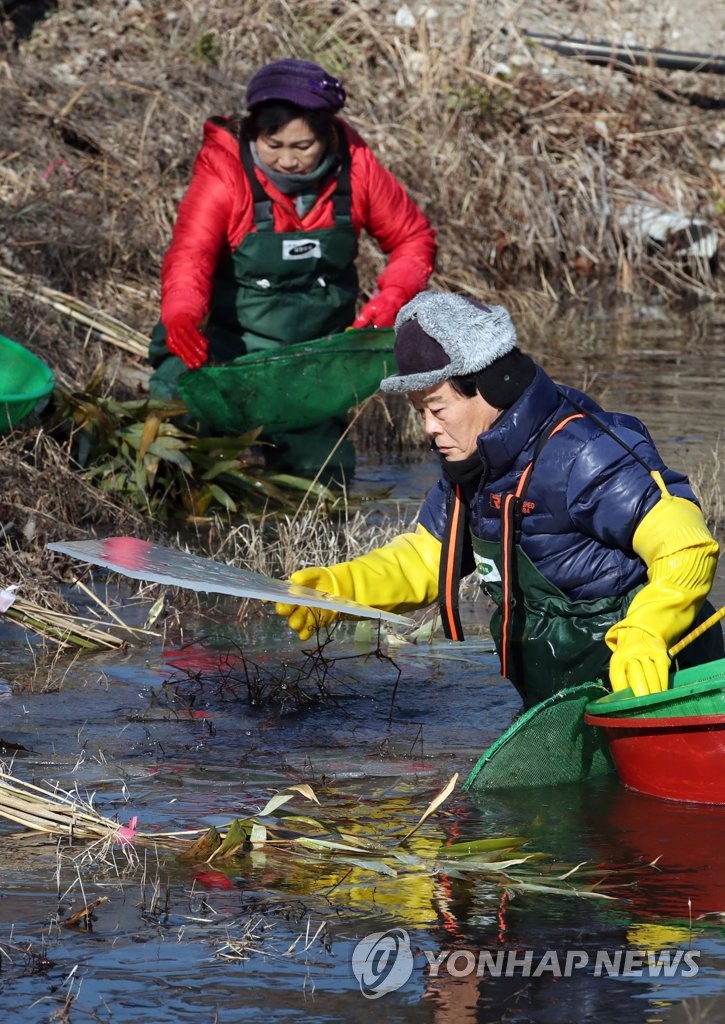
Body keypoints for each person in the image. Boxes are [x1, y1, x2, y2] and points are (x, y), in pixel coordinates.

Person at [275, 290, 723, 706]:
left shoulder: (584, 453)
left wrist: (648, 629)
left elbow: (687, 545)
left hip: (664, 689)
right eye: (419, 413)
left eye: (436, 408)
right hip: (563, 700)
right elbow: (428, 559)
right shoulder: (471, 469)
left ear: (492, 388)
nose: (428, 428)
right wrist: (338, 590)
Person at [148, 57, 436, 475]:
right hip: (226, 351)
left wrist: (394, 295)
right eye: (273, 145)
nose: (287, 161)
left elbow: (413, 238)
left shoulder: (357, 167)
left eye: (302, 147)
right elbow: (190, 255)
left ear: (328, 137)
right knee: (173, 444)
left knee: (323, 478)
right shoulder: (224, 170)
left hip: (310, 361)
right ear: (253, 134)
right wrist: (181, 311)